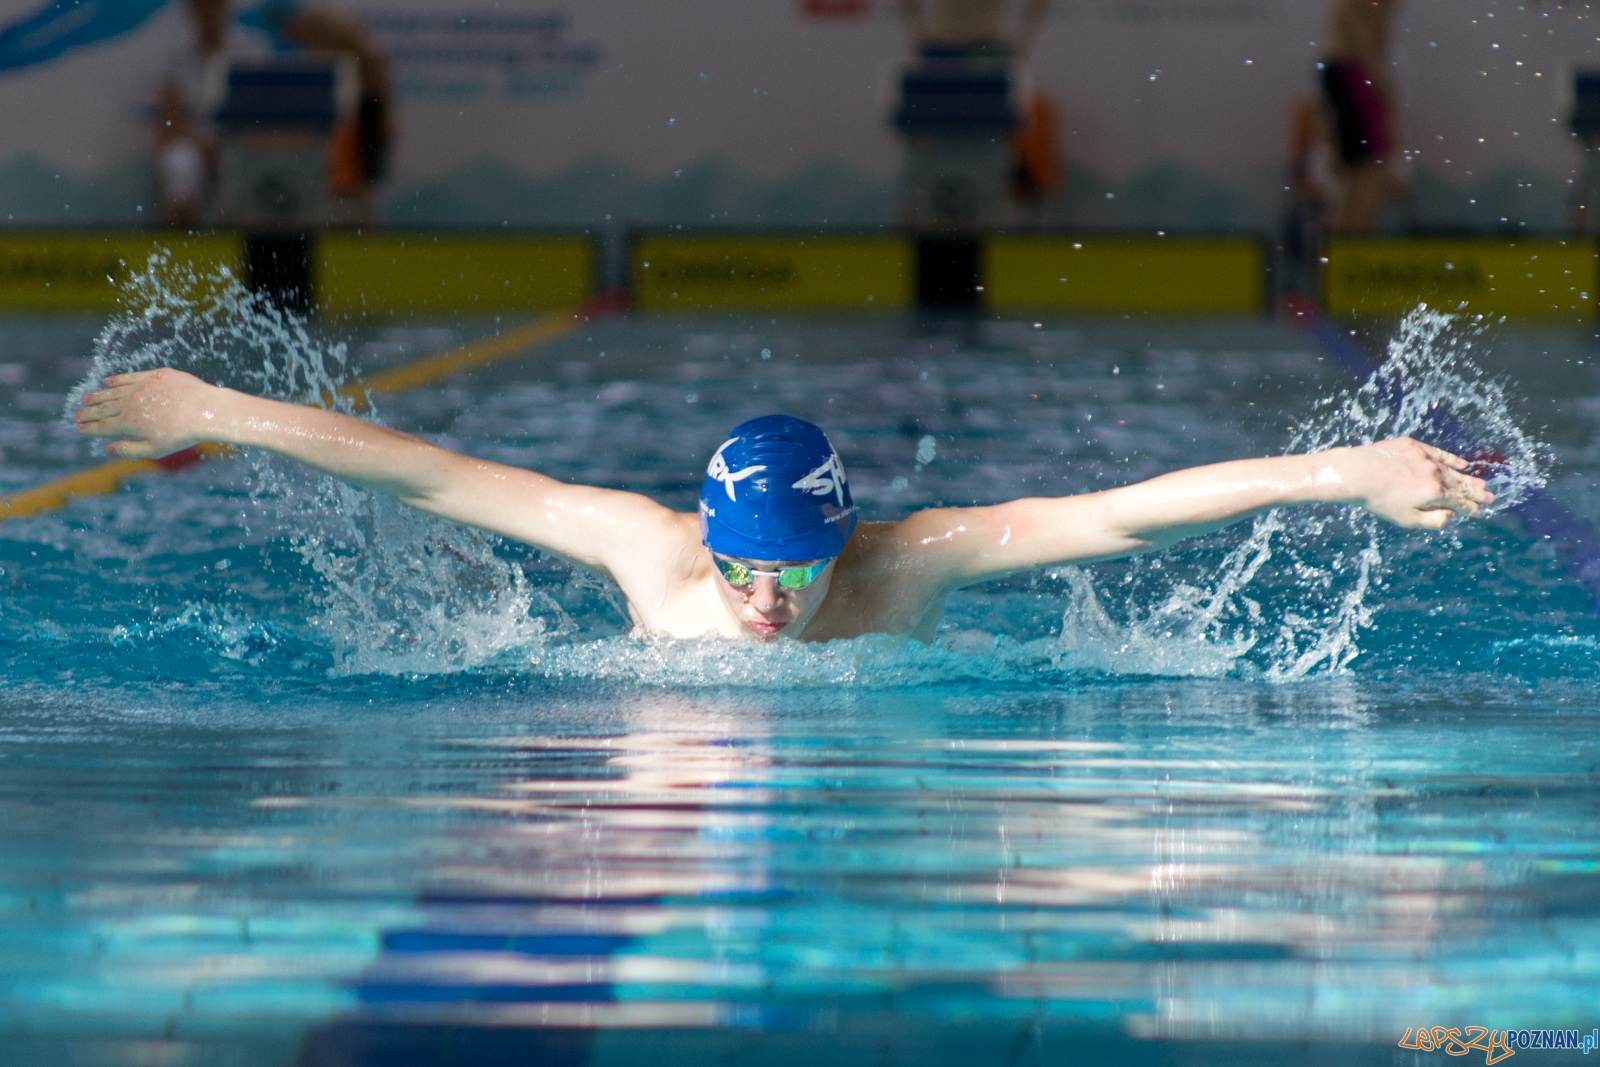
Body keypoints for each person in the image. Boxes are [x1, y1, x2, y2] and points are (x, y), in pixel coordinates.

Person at [72, 370, 1491, 644]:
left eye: (797, 573)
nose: (768, 601)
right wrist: (216, 410)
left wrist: (1343, 470)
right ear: (706, 539)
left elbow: (1125, 514)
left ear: (842, 541)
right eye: (744, 570)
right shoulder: (648, 553)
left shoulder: (906, 564)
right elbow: (428, 469)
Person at [1319, 0, 1405, 231]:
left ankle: (1354, 232)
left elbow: (1373, 34)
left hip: (1352, 70)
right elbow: (1361, 32)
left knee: (1368, 162)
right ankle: (1351, 235)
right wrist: (1378, 77)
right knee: (1369, 163)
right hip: (1352, 71)